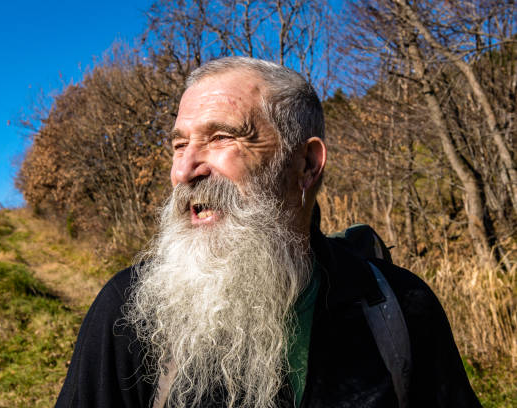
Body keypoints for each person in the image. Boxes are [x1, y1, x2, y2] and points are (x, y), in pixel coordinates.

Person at [56, 57, 480, 408]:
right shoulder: (130, 312)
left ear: (307, 165)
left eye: (222, 137)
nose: (183, 171)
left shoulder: (398, 308)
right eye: (179, 144)